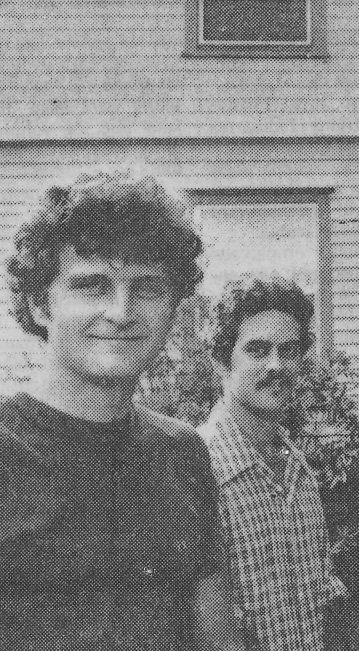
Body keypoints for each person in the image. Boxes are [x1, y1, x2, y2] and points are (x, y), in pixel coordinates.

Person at [0, 170, 245, 650]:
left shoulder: (183, 453)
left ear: (173, 309)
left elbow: (216, 636)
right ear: (39, 304)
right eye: (92, 286)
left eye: (148, 287)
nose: (122, 311)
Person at [199, 275, 347, 651]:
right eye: (258, 350)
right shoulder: (196, 470)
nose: (276, 365)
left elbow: (321, 595)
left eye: (289, 351)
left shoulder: (299, 471)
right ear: (222, 360)